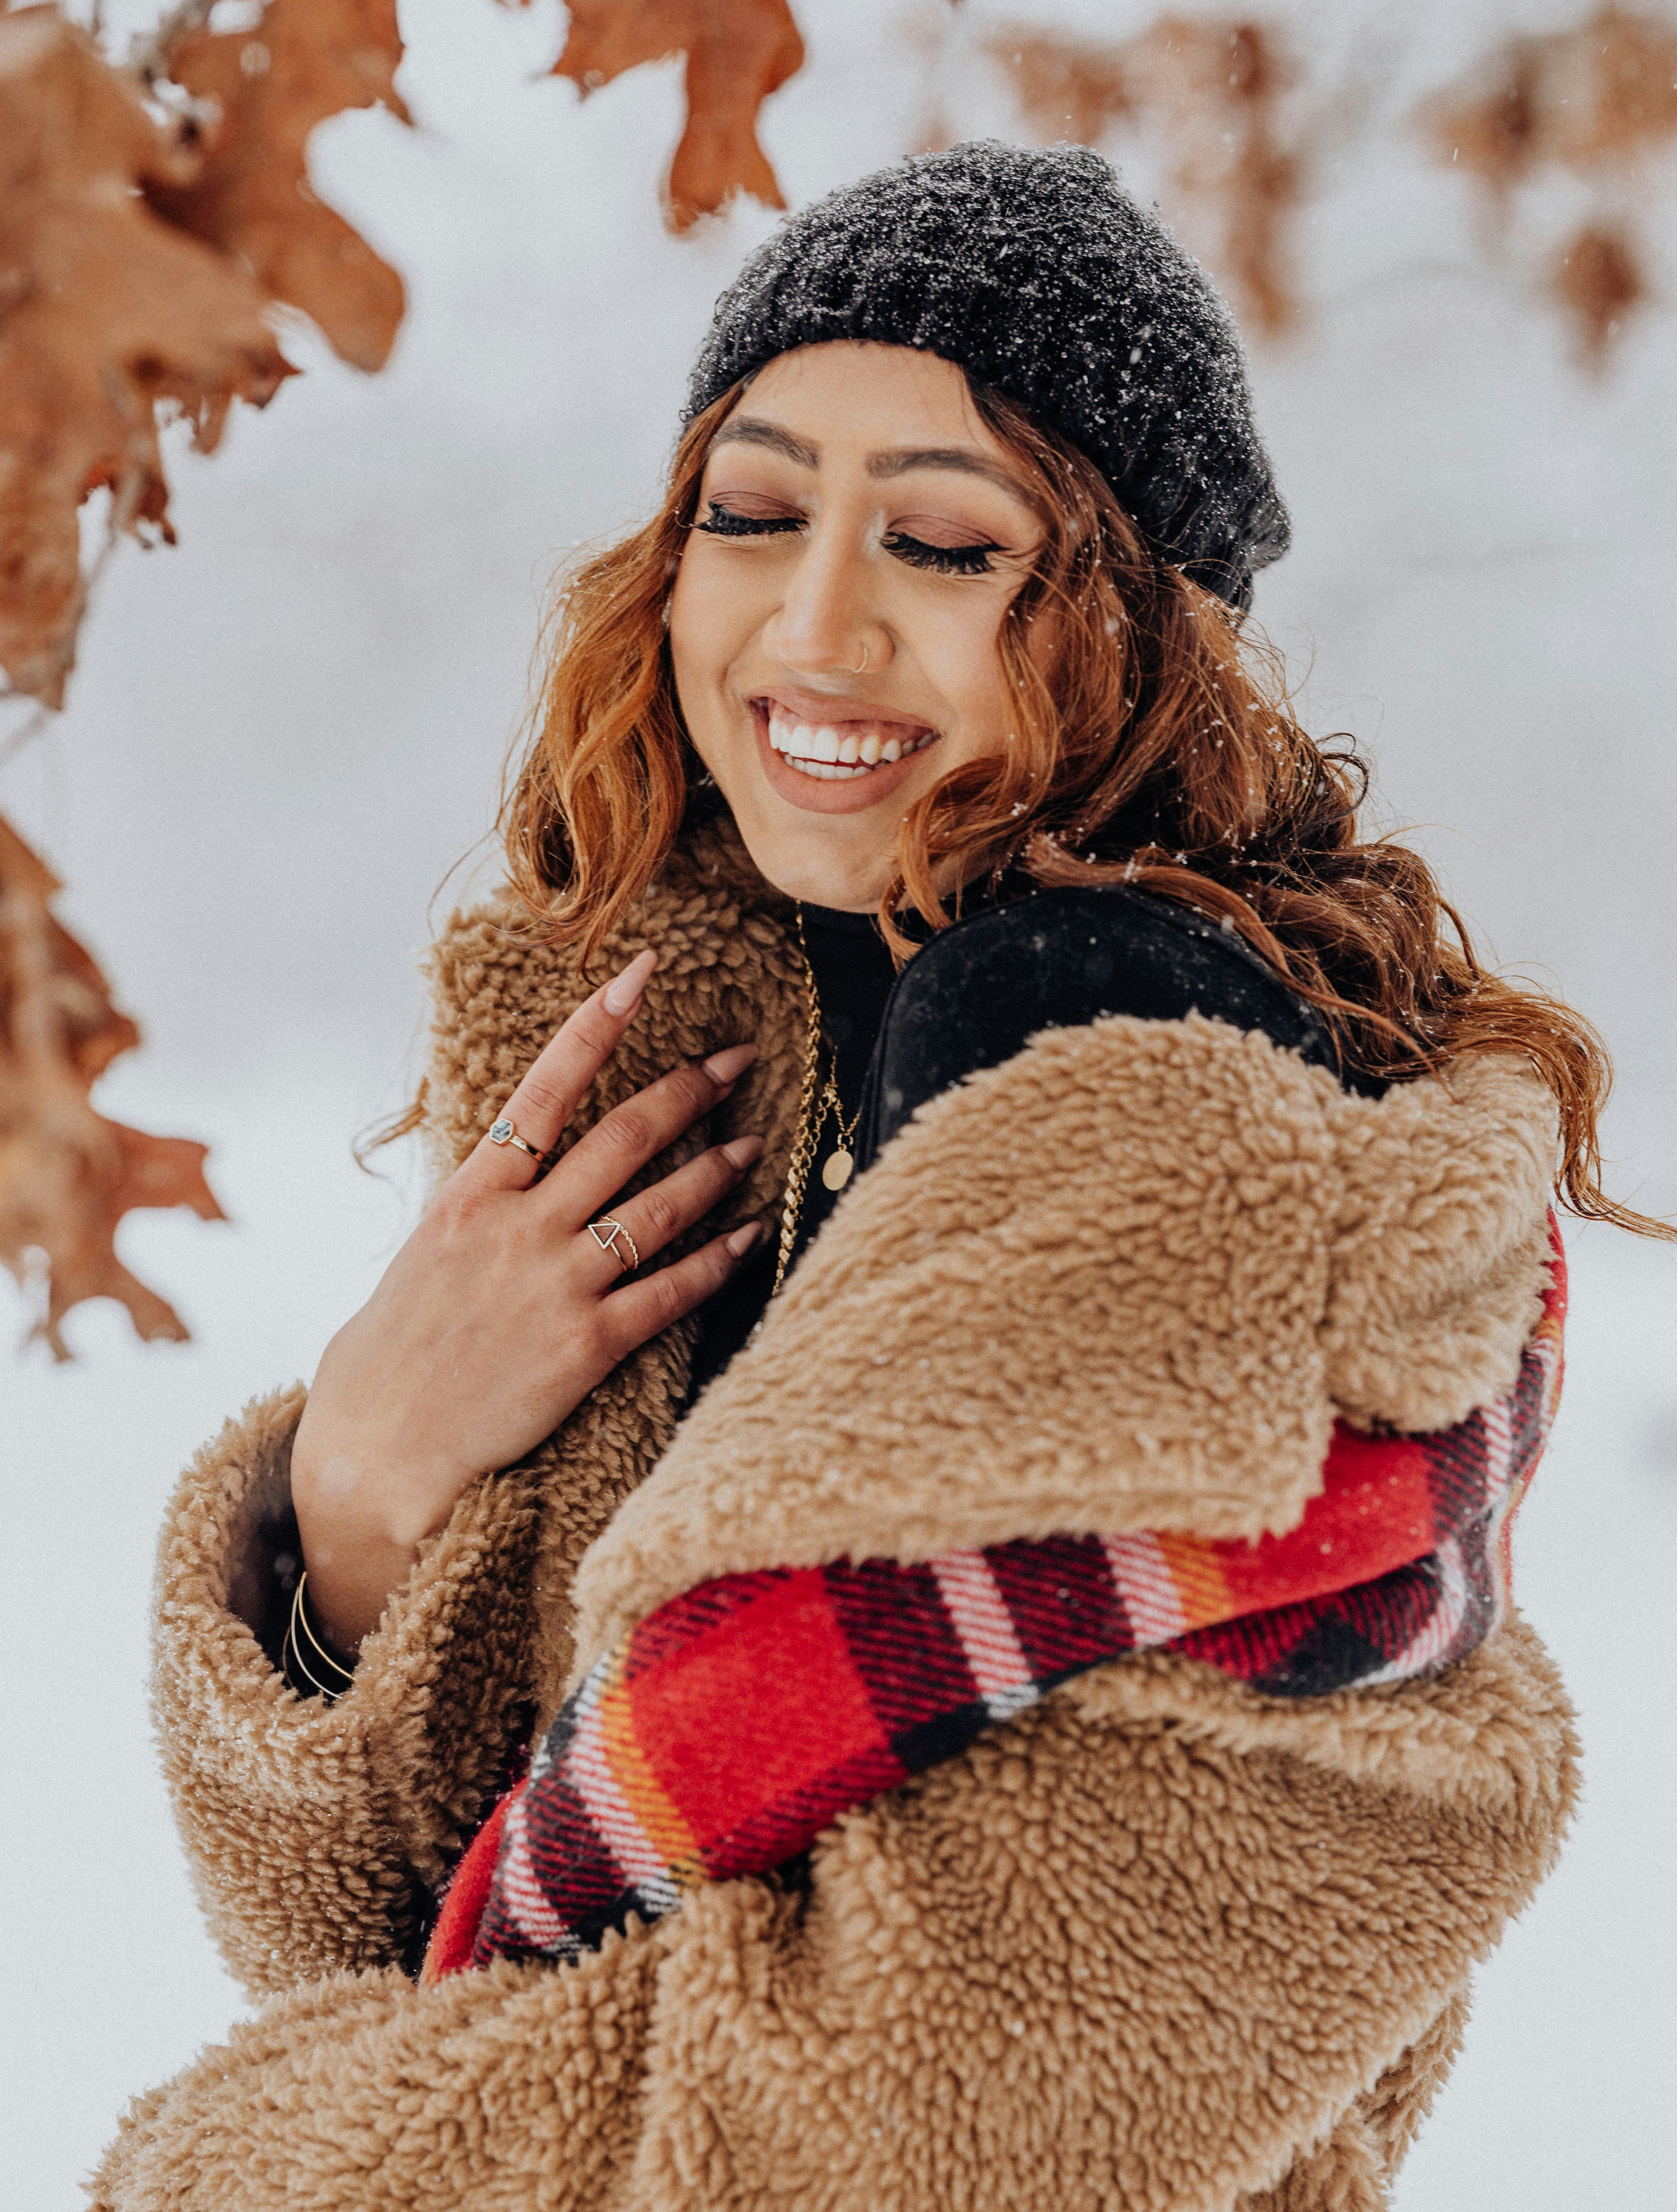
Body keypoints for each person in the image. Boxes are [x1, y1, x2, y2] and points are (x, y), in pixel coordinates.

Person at [95, 143, 1640, 2211]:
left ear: (1125, 623)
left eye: (938, 542)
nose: (812, 622)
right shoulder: (671, 1079)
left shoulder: (1199, 1134)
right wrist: (361, 1492)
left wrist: (230, 2167)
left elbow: (899, 2125)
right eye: (752, 509)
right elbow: (380, 1937)